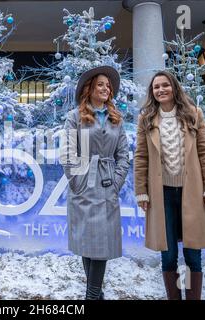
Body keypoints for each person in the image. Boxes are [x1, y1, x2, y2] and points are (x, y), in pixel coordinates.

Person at [134, 70, 205, 300]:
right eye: (156, 87)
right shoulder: (147, 119)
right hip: (161, 195)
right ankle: (174, 297)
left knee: (192, 254)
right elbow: (141, 157)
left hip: (192, 192)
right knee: (168, 254)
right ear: (152, 92)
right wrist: (141, 191)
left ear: (174, 87)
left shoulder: (193, 114)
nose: (161, 90)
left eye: (165, 85)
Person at [60, 66, 130, 300]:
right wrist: (78, 182)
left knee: (101, 244)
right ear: (89, 88)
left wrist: (116, 182)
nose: (106, 88)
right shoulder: (75, 117)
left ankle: (91, 296)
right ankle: (96, 294)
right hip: (83, 184)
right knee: (87, 242)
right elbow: (68, 153)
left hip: (108, 183)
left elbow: (124, 155)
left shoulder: (116, 119)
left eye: (108, 86)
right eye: (101, 84)